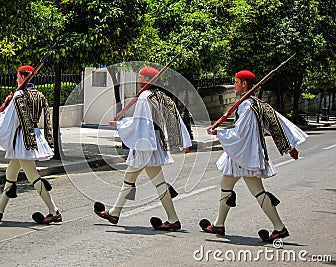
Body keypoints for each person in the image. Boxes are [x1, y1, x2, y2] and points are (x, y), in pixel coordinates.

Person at [200, 70, 308, 241]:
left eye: (236, 82)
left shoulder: (248, 106)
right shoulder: (254, 104)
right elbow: (276, 123)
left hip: (244, 155)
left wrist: (218, 133)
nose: (234, 85)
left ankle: (279, 228)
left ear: (244, 84)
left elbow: (240, 133)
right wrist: (289, 146)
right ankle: (219, 224)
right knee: (226, 186)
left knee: (258, 192)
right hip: (241, 155)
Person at [94, 67, 192, 231]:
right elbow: (176, 118)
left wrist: (118, 124)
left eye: (140, 77)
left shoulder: (145, 97)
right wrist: (185, 141)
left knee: (153, 182)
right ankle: (115, 212)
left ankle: (172, 219)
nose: (138, 80)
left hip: (145, 144)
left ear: (147, 80)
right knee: (133, 177)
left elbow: (139, 123)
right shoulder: (162, 96)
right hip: (152, 142)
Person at [0, 65, 61, 224]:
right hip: (34, 135)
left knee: (33, 176)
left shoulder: (19, 95)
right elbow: (45, 118)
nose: (16, 79)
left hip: (22, 140)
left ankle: (54, 211)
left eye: (18, 76)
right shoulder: (39, 94)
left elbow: (9, 119)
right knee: (11, 174)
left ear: (23, 77)